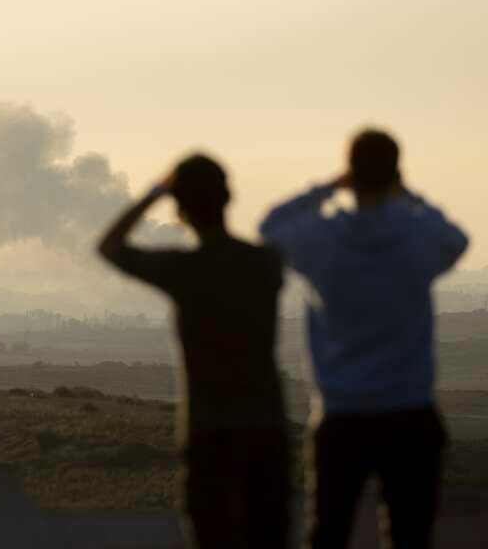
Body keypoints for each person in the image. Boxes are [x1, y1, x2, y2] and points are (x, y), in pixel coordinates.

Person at [259, 129, 469, 549]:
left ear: (350, 173)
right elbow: (456, 239)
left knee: (329, 534)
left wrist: (326, 189)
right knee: (411, 537)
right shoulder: (417, 236)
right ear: (396, 172)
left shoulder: (321, 239)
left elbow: (271, 226)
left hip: (341, 414)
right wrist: (409, 196)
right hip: (410, 411)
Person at [97, 154, 290, 549]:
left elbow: (110, 246)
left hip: (210, 433)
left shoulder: (184, 270)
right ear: (228, 198)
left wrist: (156, 191)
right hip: (267, 428)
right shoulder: (266, 263)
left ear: (182, 211)